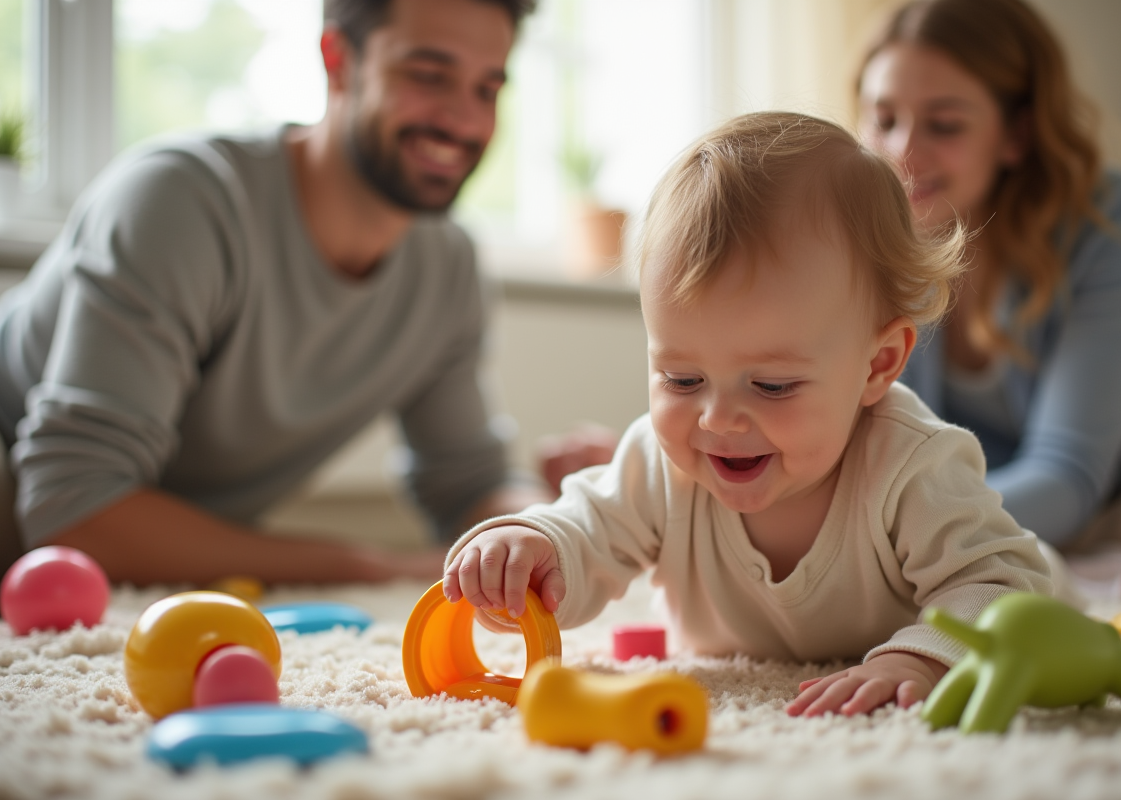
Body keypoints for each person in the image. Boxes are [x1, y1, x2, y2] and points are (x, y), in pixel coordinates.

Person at [440, 111, 1077, 718]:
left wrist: (919, 660)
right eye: (682, 378)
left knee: (1052, 577)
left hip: (1038, 575)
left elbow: (1003, 583)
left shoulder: (911, 462)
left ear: (878, 365)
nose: (717, 420)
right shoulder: (661, 464)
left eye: (771, 385)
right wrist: (530, 550)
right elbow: (586, 533)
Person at [0, 0, 551, 588]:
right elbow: (78, 513)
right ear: (338, 60)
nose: (464, 122)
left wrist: (554, 522)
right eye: (428, 75)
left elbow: (468, 483)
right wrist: (370, 568)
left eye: (487, 90)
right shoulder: (182, 201)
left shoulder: (449, 267)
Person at [856, 0, 1121, 594]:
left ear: (1016, 134)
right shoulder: (875, 238)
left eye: (944, 124)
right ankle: (1065, 544)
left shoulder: (1111, 217)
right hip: (1031, 490)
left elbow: (1065, 471)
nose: (903, 153)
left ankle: (1072, 540)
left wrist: (882, 533)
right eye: (884, 120)